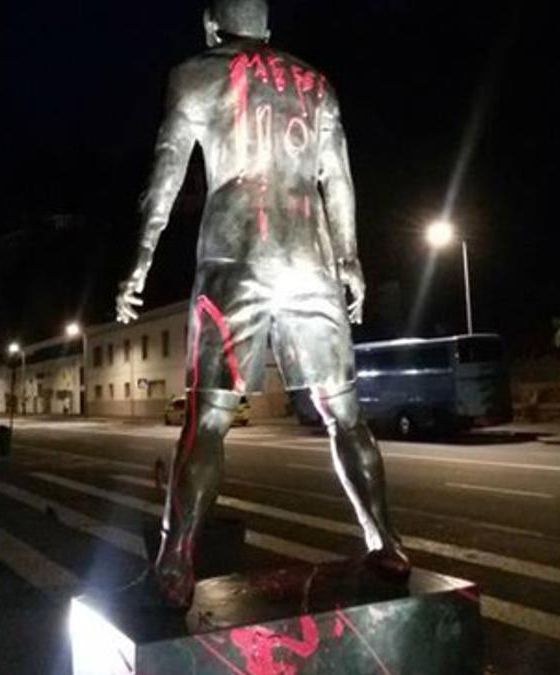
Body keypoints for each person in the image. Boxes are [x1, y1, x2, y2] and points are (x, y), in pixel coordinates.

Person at [114, 0, 410, 608]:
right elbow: (339, 178)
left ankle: (178, 558)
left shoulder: (195, 73)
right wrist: (350, 258)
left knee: (209, 419)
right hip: (310, 258)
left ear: (208, 25)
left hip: (235, 256)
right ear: (267, 31)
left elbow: (166, 173)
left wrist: (141, 259)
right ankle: (384, 538)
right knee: (344, 413)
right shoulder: (316, 83)